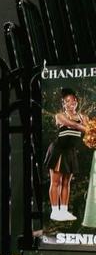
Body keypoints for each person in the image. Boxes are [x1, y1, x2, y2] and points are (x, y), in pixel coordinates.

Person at [45, 88, 87, 221]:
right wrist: (84, 127)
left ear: (76, 101)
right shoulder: (60, 116)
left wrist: (89, 128)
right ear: (63, 104)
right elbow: (71, 124)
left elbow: (91, 131)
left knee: (66, 183)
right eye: (66, 102)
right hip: (58, 150)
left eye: (72, 100)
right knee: (55, 181)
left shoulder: (83, 117)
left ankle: (64, 211)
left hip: (70, 151)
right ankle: (54, 211)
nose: (69, 104)